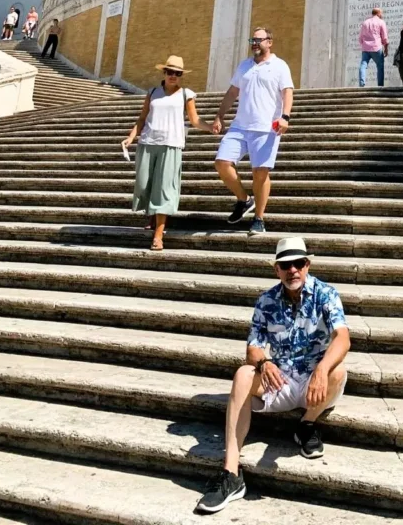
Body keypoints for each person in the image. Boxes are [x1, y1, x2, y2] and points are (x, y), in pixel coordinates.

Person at [196, 236, 350, 512]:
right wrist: (264, 363)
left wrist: (322, 369)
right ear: (276, 269)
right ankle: (231, 474)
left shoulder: (325, 294)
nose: (293, 270)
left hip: (316, 383)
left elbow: (343, 337)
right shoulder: (266, 300)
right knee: (244, 373)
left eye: (299, 263)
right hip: (280, 381)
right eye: (286, 265)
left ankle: (307, 424)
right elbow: (253, 347)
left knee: (338, 369)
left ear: (307, 265)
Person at [122, 56, 212, 251]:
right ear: (164, 73)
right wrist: (131, 137)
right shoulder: (153, 92)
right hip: (147, 143)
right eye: (170, 72)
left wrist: (210, 127)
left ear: (181, 76)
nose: (173, 76)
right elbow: (142, 118)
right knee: (144, 184)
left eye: (177, 73)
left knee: (164, 189)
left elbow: (194, 120)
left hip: (171, 145)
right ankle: (152, 216)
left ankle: (158, 235)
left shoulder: (186, 94)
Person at [213, 28, 294, 236]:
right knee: (222, 162)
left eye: (259, 40)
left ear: (270, 42)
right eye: (253, 40)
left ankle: (259, 218)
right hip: (240, 126)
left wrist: (285, 117)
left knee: (260, 173)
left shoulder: (279, 66)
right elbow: (233, 92)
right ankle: (243, 199)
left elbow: (287, 92)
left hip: (266, 127)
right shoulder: (244, 66)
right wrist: (220, 115)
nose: (255, 43)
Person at [358, 8, 388, 87]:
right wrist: (386, 47)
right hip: (376, 47)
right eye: (381, 13)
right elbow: (384, 37)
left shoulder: (365, 22)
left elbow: (360, 37)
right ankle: (380, 85)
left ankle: (362, 83)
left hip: (365, 48)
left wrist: (363, 44)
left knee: (363, 65)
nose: (382, 14)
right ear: (378, 13)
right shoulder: (381, 22)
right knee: (380, 66)